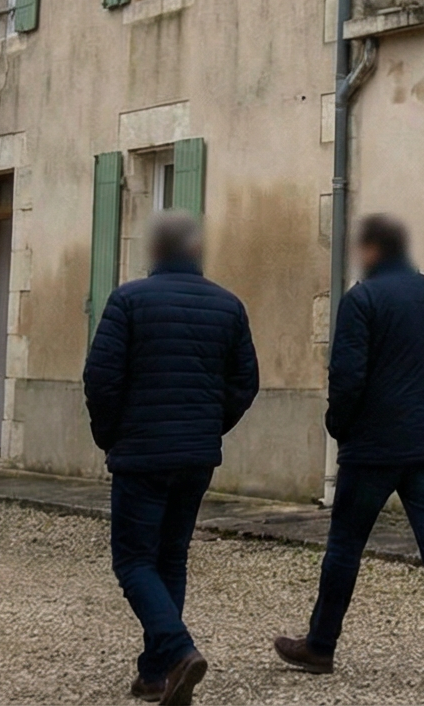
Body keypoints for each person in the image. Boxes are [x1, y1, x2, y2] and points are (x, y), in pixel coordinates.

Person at [275, 214, 424, 686]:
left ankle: (320, 646)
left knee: (346, 545)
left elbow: (347, 377)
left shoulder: (362, 300)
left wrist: (339, 426)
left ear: (370, 251)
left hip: (371, 447)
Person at [84, 210, 260, 706]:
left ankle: (179, 652)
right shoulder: (229, 306)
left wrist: (109, 436)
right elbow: (245, 383)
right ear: (196, 250)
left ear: (156, 251)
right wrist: (208, 426)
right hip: (196, 456)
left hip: (142, 454)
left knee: (134, 561)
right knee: (170, 558)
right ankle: (155, 673)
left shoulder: (128, 301)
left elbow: (101, 379)